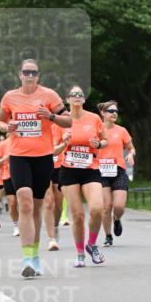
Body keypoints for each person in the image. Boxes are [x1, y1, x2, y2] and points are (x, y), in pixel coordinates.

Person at [0, 60, 71, 277]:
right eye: (26, 72)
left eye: (34, 72)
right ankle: (27, 259)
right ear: (19, 74)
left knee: (37, 208)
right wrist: (6, 126)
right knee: (25, 203)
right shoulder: (10, 97)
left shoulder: (49, 95)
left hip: (43, 157)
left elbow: (68, 121)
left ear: (38, 75)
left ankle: (35, 255)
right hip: (19, 156)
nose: (30, 75)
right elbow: (0, 121)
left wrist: (50, 116)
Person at [56, 86, 108, 268]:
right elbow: (52, 150)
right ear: (67, 99)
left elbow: (105, 140)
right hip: (68, 171)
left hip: (90, 168)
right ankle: (79, 254)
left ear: (84, 100)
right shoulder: (62, 121)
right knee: (77, 215)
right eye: (73, 95)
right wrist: (63, 144)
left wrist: (99, 144)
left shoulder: (94, 118)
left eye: (80, 95)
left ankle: (91, 244)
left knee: (96, 208)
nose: (77, 97)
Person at [96, 100, 135, 246]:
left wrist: (131, 154)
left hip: (118, 171)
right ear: (103, 113)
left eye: (116, 111)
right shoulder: (96, 130)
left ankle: (117, 220)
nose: (114, 113)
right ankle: (108, 236)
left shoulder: (121, 130)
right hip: (100, 172)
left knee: (119, 206)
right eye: (111, 111)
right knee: (106, 207)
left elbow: (131, 148)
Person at [43, 122, 64, 251]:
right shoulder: (38, 124)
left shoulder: (61, 124)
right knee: (48, 202)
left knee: (58, 205)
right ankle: (51, 239)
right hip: (43, 165)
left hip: (59, 166)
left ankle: (55, 227)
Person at [0, 133, 19, 235]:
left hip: (22, 175)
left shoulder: (22, 141)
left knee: (23, 202)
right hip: (8, 176)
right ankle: (16, 225)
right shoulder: (3, 144)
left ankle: (25, 223)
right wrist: (4, 159)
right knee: (12, 202)